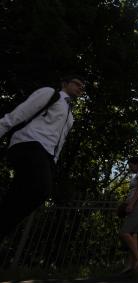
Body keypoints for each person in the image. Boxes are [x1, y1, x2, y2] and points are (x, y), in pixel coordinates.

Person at [0, 75, 85, 239]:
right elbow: (19, 113)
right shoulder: (50, 94)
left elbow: (59, 142)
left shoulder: (71, 117)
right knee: (41, 189)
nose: (80, 88)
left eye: (82, 87)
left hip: (47, 157)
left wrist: (53, 162)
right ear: (64, 83)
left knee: (17, 197)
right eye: (77, 84)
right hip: (29, 144)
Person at [119, 157, 138, 274]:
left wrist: (131, 204)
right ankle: (132, 265)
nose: (130, 168)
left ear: (137, 164)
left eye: (131, 165)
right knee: (134, 234)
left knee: (124, 232)